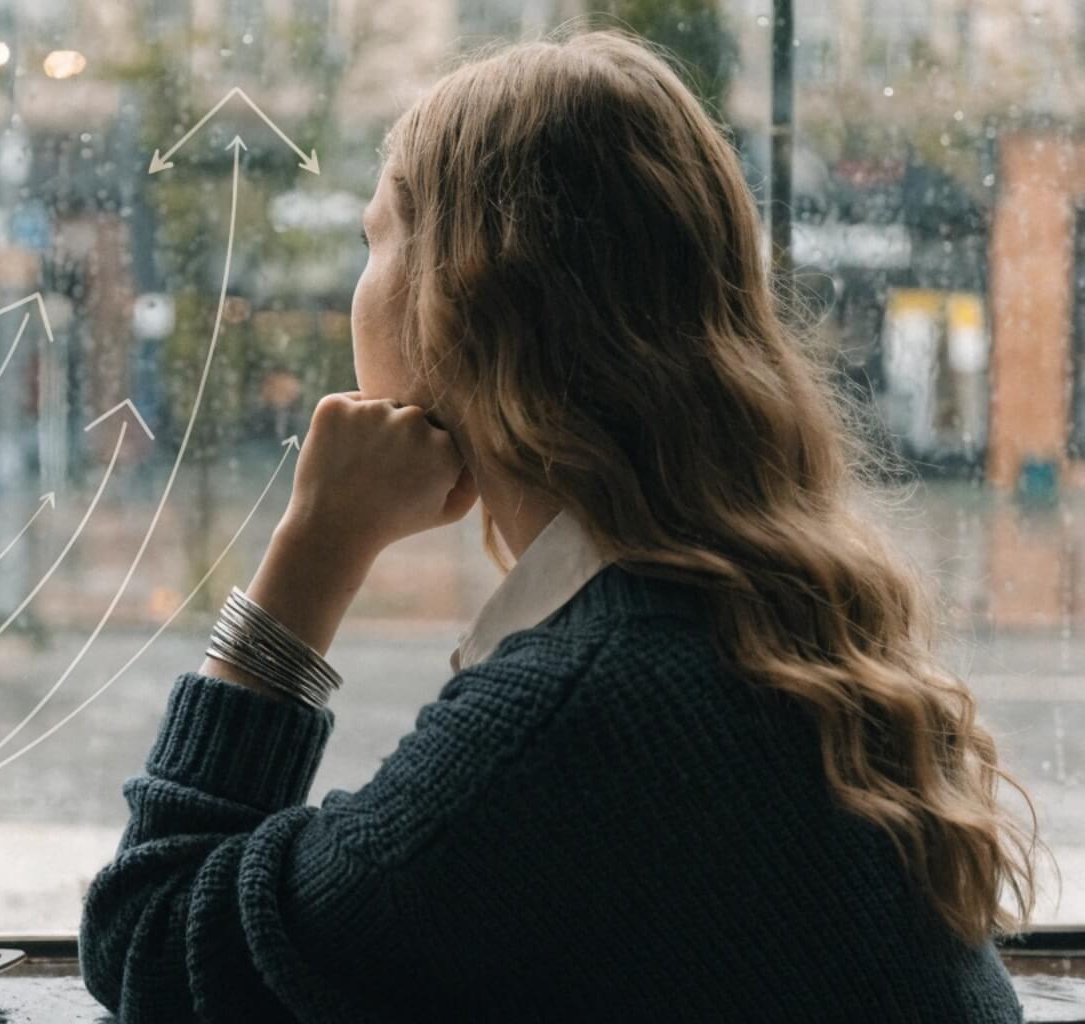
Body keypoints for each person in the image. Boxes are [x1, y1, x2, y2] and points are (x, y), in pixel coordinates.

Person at [80, 29, 1042, 1023]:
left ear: (459, 298)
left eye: (374, 242)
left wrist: (316, 550)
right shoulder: (764, 616)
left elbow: (148, 939)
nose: (352, 293)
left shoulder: (568, 720)